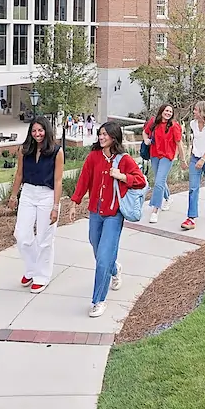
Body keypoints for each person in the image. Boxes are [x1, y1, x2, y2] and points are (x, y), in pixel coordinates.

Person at [69, 121, 146, 318]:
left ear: (114, 137)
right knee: (97, 248)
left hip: (114, 214)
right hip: (95, 212)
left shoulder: (124, 160)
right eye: (100, 134)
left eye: (105, 134)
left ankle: (98, 301)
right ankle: (115, 268)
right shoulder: (94, 157)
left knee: (103, 257)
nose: (101, 137)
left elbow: (141, 181)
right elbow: (84, 180)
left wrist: (121, 176)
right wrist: (74, 202)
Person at [6, 118, 64, 293]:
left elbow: (58, 180)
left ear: (46, 130)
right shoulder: (25, 150)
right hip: (28, 193)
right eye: (34, 131)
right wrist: (13, 196)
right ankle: (32, 269)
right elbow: (19, 174)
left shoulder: (56, 151)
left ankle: (42, 276)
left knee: (44, 239)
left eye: (40, 130)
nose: (37, 134)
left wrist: (55, 206)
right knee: (22, 235)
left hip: (47, 195)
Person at [181, 100, 205, 231]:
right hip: (195, 158)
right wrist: (189, 157)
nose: (194, 112)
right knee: (193, 187)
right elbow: (195, 141)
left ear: (202, 111)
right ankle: (191, 218)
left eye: (196, 110)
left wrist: (203, 159)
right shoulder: (193, 124)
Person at [142, 102, 182, 223]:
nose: (168, 113)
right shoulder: (154, 121)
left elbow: (179, 143)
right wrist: (146, 140)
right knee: (160, 180)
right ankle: (168, 198)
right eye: (166, 111)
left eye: (170, 111)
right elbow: (145, 131)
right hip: (154, 155)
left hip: (167, 156)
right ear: (161, 111)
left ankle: (155, 209)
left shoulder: (174, 126)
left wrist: (183, 159)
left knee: (158, 182)